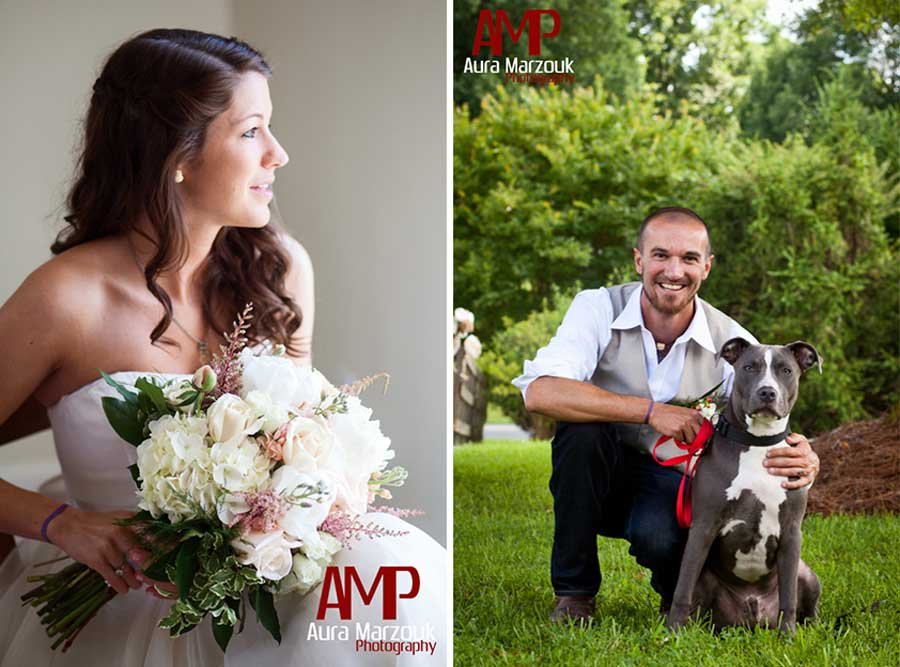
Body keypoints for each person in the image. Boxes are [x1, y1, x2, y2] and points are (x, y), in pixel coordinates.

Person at [0, 29, 445, 664]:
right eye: (251, 131)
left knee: (396, 581)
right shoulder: (67, 298)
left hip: (269, 584)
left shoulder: (281, 268)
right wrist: (61, 523)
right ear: (174, 154)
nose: (279, 155)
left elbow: (307, 438)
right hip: (122, 599)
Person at [513, 207, 820, 624]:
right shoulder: (597, 308)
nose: (674, 271)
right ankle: (575, 593)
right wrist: (651, 412)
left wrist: (805, 454)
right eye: (661, 255)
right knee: (581, 436)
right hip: (592, 470)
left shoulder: (732, 343)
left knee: (664, 534)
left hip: (668, 482)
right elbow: (540, 391)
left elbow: (764, 414)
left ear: (706, 267)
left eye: (689, 259)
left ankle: (679, 595)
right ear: (639, 260)